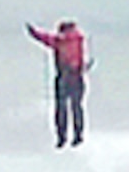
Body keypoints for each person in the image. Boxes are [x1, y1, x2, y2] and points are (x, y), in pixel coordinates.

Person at [26, 19, 88, 148]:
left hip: (64, 76)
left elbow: (46, 38)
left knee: (61, 107)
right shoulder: (79, 39)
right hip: (78, 76)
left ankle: (62, 137)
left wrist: (32, 32)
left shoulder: (60, 40)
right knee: (77, 107)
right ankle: (78, 135)